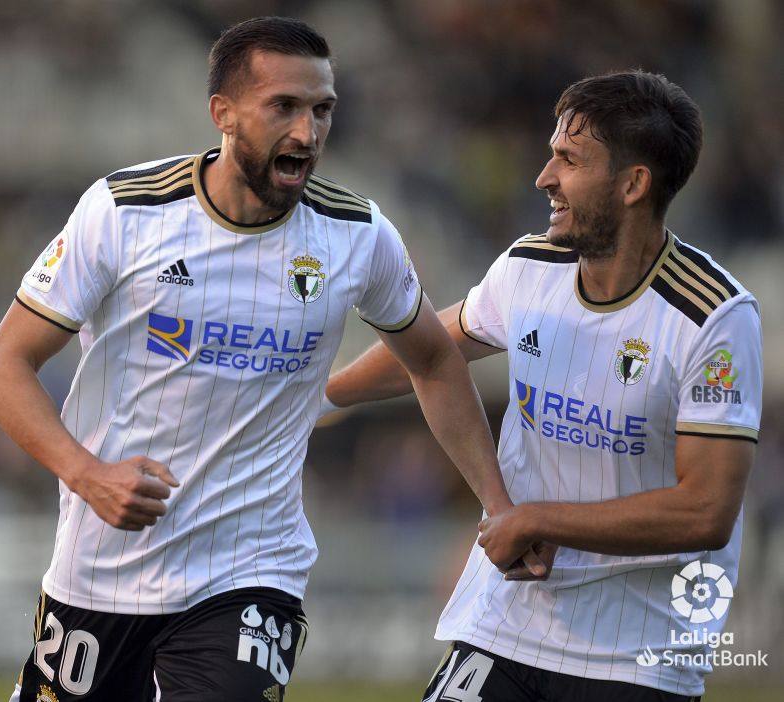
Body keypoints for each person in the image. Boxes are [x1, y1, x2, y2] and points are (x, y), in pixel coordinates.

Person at [0, 16, 541, 702]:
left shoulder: (357, 236)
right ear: (223, 113)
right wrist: (86, 473)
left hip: (250, 574)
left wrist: (499, 504)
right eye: (285, 107)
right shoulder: (124, 212)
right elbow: (2, 368)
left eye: (322, 109)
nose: (308, 133)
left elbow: (434, 360)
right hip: (100, 572)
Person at [322, 71, 761, 701]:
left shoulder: (713, 317)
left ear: (634, 184)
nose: (543, 177)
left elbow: (705, 511)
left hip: (638, 650)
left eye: (569, 160)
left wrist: (536, 518)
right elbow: (426, 347)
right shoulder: (531, 266)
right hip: (508, 621)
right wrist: (321, 398)